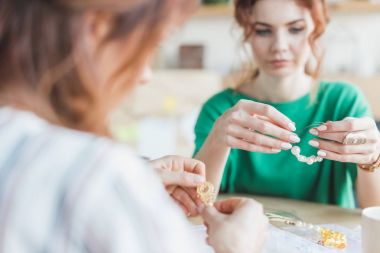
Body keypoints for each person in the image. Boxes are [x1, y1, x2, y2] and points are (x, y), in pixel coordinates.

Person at [0, 0, 268, 252]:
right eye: (150, 47)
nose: (145, 75)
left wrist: (138, 177)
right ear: (96, 31)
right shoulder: (104, 175)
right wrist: (239, 247)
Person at [192, 0, 380, 210]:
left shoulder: (344, 102)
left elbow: (375, 211)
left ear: (316, 28)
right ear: (247, 33)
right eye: (263, 31)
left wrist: (373, 159)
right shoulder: (221, 110)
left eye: (295, 29)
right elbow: (196, 206)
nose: (279, 46)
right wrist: (217, 141)